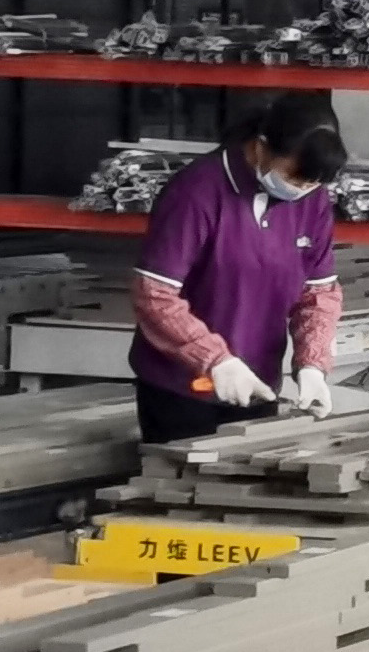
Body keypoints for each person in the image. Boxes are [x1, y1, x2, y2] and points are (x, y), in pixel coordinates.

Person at [132, 100, 349, 441]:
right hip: (182, 390)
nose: (301, 191)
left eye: (311, 184)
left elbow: (319, 293)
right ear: (261, 147)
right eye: (294, 178)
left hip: (258, 386)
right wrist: (215, 360)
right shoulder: (196, 193)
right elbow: (154, 295)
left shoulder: (312, 199)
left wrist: (312, 365)